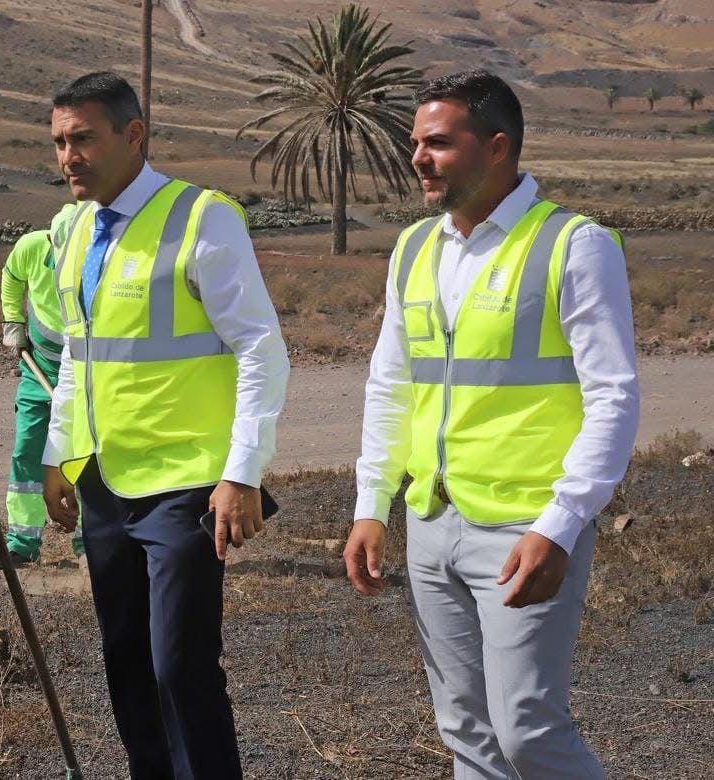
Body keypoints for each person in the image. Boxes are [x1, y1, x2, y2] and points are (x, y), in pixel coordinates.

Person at [344, 70, 639, 779]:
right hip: (432, 519)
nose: (418, 158)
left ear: (498, 147)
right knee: (465, 730)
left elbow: (614, 396)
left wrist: (561, 524)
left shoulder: (574, 245)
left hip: (525, 527)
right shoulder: (414, 248)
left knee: (527, 730)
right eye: (416, 143)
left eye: (439, 143)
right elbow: (391, 384)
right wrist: (371, 505)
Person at [42, 72, 289, 779]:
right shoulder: (73, 229)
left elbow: (260, 349)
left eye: (83, 138)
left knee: (179, 665)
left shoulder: (201, 218)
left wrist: (243, 472)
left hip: (186, 483)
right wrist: (56, 454)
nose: (69, 157)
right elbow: (77, 356)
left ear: (134, 136)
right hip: (104, 482)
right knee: (125, 660)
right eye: (59, 142)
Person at [0, 204, 85, 568]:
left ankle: (89, 543)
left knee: (84, 456)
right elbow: (11, 276)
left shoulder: (99, 265)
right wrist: (13, 322)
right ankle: (22, 543)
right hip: (37, 368)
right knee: (27, 450)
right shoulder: (32, 247)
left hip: (85, 375)